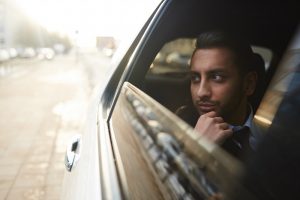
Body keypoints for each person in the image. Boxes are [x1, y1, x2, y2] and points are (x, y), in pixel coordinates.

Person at [189, 31, 263, 160]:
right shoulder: (177, 126)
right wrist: (198, 149)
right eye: (195, 78)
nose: (201, 92)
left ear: (249, 84)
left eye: (216, 77)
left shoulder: (276, 130)